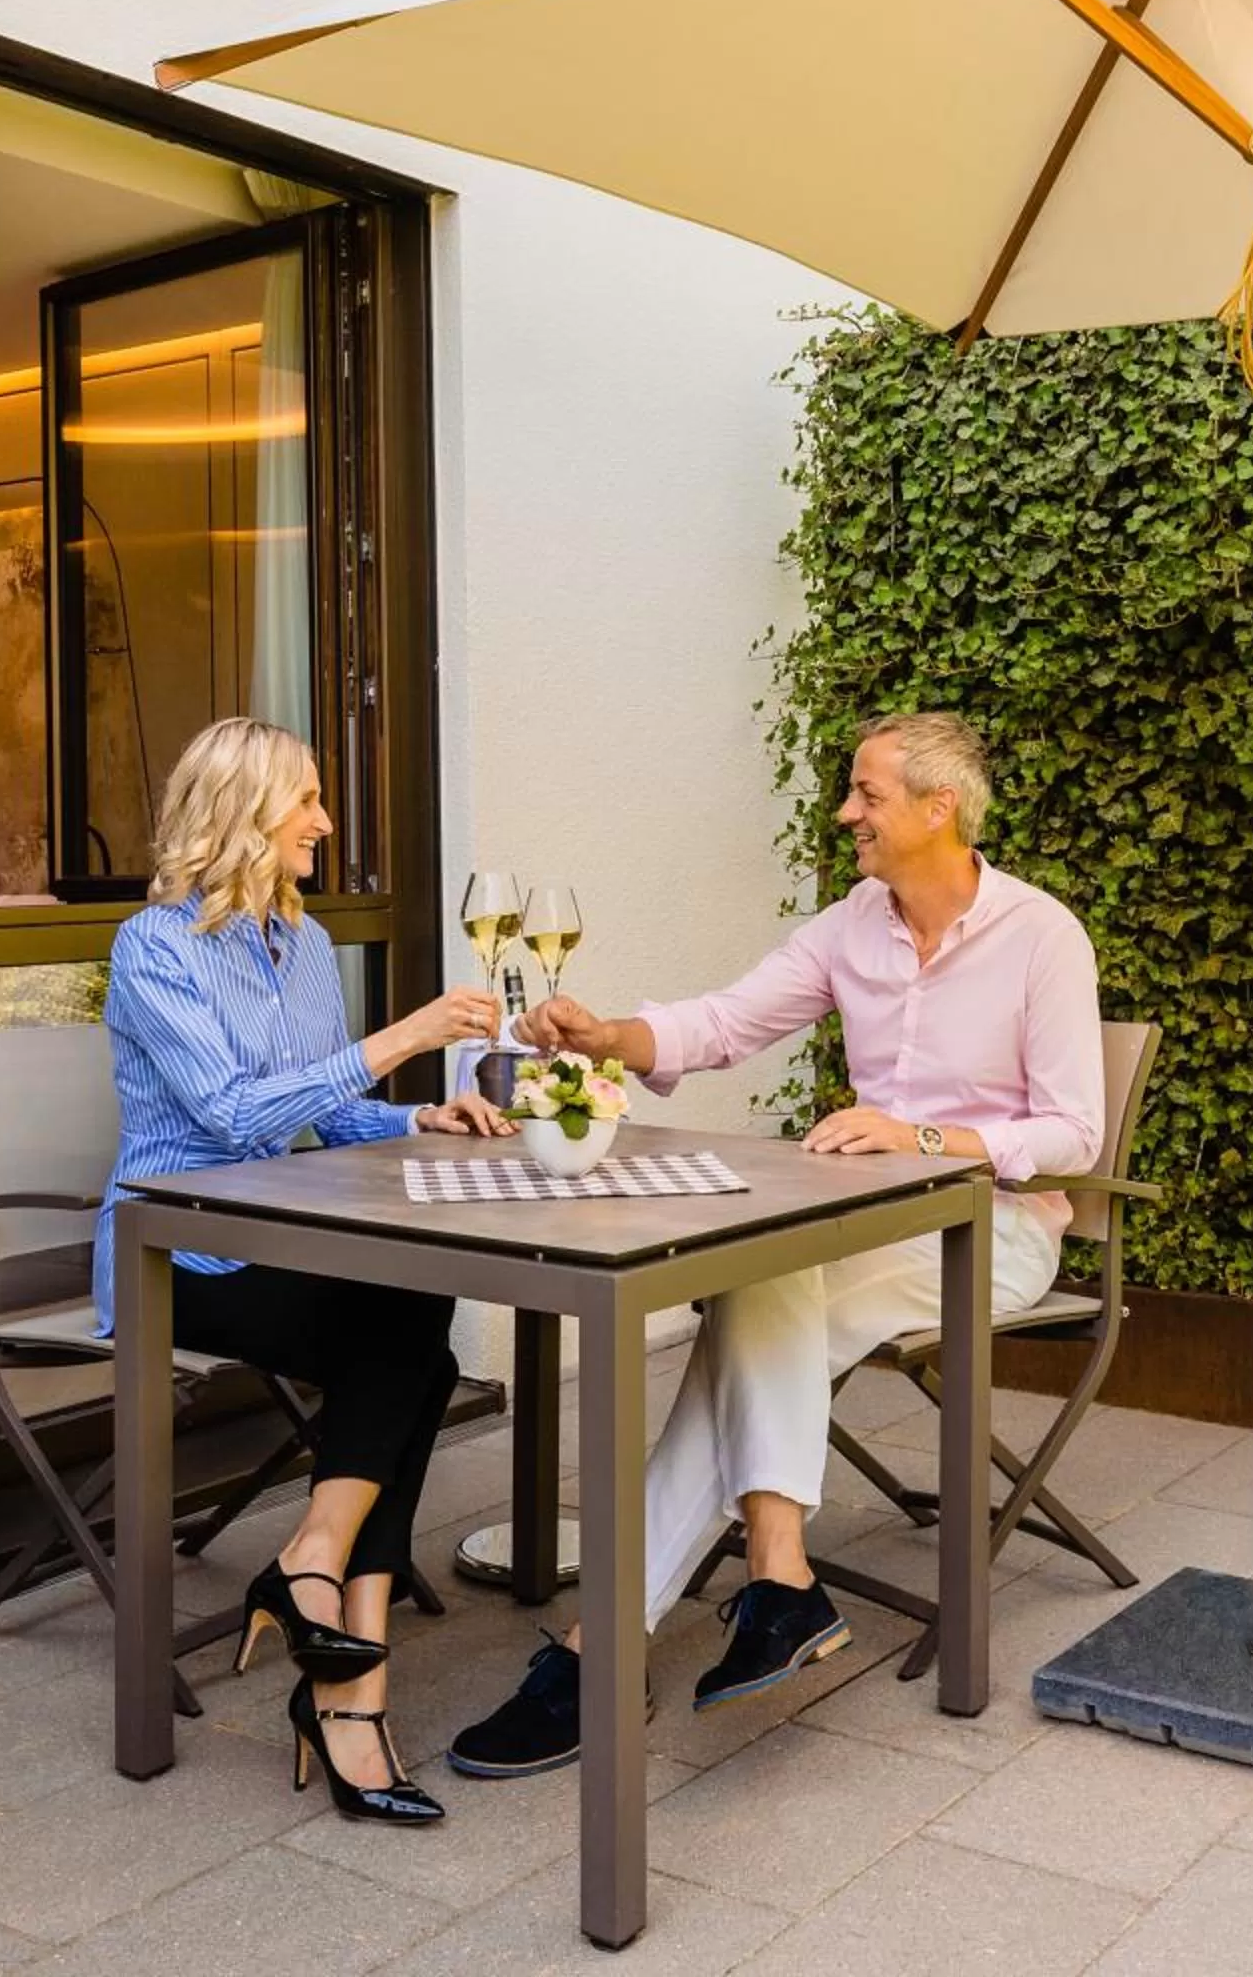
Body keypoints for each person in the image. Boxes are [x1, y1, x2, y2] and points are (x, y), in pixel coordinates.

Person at [447, 711, 1103, 1778]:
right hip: (860, 1231)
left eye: (868, 794)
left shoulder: (1042, 937)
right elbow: (726, 1020)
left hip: (994, 1234)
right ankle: (773, 1578)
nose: (847, 811)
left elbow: (1075, 1131)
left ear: (941, 809)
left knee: (753, 1300)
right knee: (761, 1281)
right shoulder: (855, 924)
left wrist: (920, 1134)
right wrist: (612, 1034)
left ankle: (621, 1643)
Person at [98, 716, 511, 1827]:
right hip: (176, 1249)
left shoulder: (304, 941)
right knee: (411, 1345)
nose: (326, 822)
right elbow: (231, 1115)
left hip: (285, 1232)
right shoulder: (156, 947)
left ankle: (321, 1592)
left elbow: (323, 1113)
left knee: (416, 1308)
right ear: (245, 811)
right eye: (309, 801)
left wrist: (413, 1108)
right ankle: (347, 1684)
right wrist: (406, 1035)